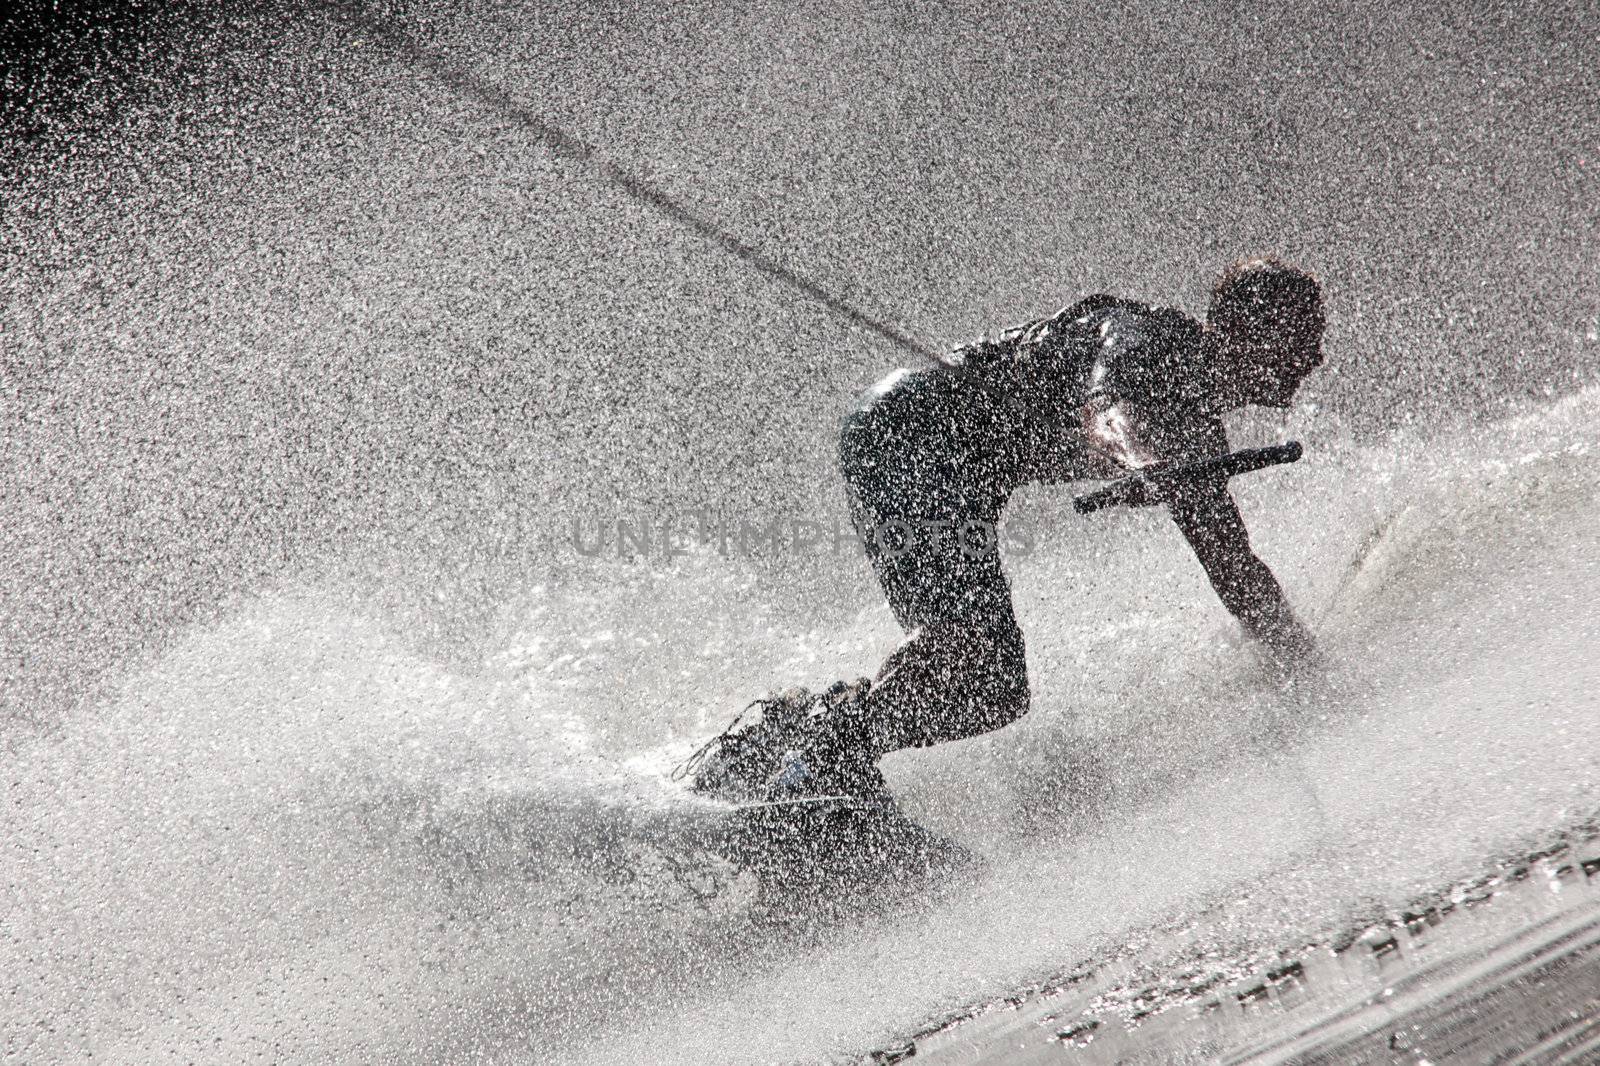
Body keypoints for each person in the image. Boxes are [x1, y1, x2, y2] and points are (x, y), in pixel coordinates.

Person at [684, 257, 1325, 805]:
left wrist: (1310, 676)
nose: (1315, 355)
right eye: (1303, 336)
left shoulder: (1197, 435)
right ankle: (821, 763)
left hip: (954, 471)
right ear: (1251, 332)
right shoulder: (1148, 342)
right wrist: (1142, 459)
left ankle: (794, 735)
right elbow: (1108, 407)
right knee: (982, 672)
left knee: (988, 685)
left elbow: (1237, 572)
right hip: (908, 436)